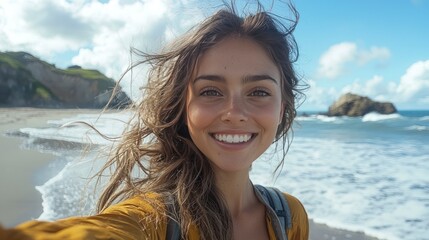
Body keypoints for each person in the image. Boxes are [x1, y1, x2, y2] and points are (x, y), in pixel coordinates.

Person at [0, 1, 308, 239]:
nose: (235, 112)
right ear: (182, 108)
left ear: (282, 108)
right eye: (211, 91)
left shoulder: (288, 217)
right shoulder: (152, 221)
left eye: (259, 92)